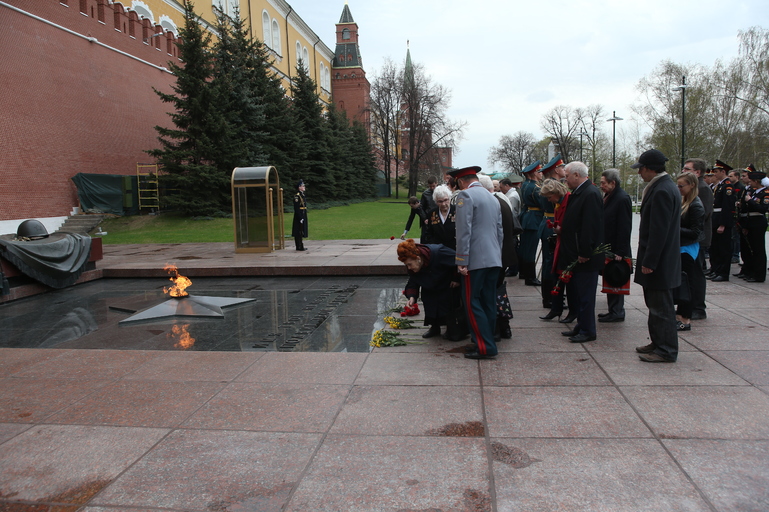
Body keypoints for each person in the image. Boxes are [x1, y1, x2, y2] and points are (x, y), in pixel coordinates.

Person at [632, 149, 681, 363]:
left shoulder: (662, 190)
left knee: (661, 308)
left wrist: (650, 261)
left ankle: (666, 349)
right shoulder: (663, 186)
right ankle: (658, 342)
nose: (639, 173)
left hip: (660, 261)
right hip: (661, 259)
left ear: (649, 168)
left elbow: (658, 230)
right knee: (655, 305)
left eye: (641, 169)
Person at [450, 166, 504, 359]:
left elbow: (463, 231)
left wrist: (461, 260)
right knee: (488, 302)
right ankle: (486, 340)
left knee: (472, 302)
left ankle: (484, 346)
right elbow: (499, 231)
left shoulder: (465, 195)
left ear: (461, 181)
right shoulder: (492, 197)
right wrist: (497, 255)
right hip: (493, 258)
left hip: (475, 259)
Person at [557, 161, 604, 343]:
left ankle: (588, 330)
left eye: (567, 176)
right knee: (579, 293)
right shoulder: (581, 192)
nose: (565, 180)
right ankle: (581, 326)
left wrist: (585, 252)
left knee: (586, 296)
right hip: (575, 252)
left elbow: (590, 227)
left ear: (577, 175)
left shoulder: (590, 193)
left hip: (584, 256)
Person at [397, 239, 461, 340]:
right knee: (429, 301)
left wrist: (456, 278)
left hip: (447, 284)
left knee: (447, 305)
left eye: (409, 264)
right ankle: (434, 327)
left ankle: (451, 327)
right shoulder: (413, 266)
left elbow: (458, 261)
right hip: (430, 287)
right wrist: (412, 298)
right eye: (406, 265)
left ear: (418, 258)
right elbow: (413, 282)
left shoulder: (439, 252)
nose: (409, 268)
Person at [480, 174, 515, 340]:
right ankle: (504, 326)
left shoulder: (491, 204)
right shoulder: (502, 201)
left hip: (494, 256)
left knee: (491, 293)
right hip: (503, 254)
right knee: (499, 292)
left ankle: (495, 329)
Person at [598, 169, 632, 323]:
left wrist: (620, 251)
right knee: (611, 277)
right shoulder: (610, 196)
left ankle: (617, 311)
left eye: (603, 183)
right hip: (609, 246)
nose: (601, 186)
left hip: (617, 249)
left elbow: (624, 226)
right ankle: (613, 310)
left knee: (616, 276)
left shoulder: (622, 198)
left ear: (613, 183)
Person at [682, 158, 713, 320]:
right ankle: (689, 304)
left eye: (687, 169)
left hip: (697, 239)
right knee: (690, 273)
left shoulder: (702, 188)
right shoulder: (692, 187)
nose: (683, 171)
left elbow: (703, 214)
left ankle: (698, 307)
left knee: (696, 274)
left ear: (697, 172)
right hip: (690, 239)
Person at [675, 172, 705, 331]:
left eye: (681, 186)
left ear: (692, 185)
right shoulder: (685, 202)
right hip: (682, 247)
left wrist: (674, 228)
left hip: (688, 248)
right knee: (682, 284)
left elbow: (695, 232)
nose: (679, 188)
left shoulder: (695, 205)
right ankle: (680, 315)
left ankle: (685, 319)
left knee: (687, 285)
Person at [538, 179, 571, 321]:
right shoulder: (560, 202)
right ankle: (555, 308)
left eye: (549, 196)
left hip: (567, 245)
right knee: (556, 276)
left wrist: (561, 229)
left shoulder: (569, 201)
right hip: (560, 243)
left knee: (565, 278)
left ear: (556, 193)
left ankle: (568, 311)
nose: (549, 200)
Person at [537, 155, 566, 308]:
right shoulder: (553, 186)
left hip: (548, 222)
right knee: (551, 263)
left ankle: (549, 297)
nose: (564, 170)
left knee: (549, 262)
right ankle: (550, 298)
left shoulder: (548, 184)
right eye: (562, 167)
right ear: (556, 170)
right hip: (552, 224)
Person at [708, 160, 738, 282]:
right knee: (715, 247)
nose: (714, 174)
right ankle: (716, 269)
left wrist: (723, 224)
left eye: (716, 172)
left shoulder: (727, 186)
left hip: (721, 219)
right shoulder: (720, 186)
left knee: (724, 248)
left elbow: (727, 207)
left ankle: (723, 272)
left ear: (723, 172)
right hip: (715, 218)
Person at [738, 169, 768, 282]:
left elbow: (763, 209)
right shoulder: (754, 192)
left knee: (758, 249)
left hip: (758, 222)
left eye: (751, 181)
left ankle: (759, 275)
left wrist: (750, 201)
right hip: (750, 222)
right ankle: (752, 272)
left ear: (757, 181)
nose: (749, 183)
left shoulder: (765, 193)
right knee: (751, 249)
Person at [518, 160, 543, 286]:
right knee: (530, 250)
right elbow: (542, 204)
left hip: (528, 217)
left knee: (525, 248)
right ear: (534, 173)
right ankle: (530, 277)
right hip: (534, 219)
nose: (541, 173)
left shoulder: (526, 185)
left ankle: (524, 272)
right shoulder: (534, 188)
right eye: (539, 171)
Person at [423, 185, 456, 249]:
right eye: (440, 201)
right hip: (437, 250)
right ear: (436, 201)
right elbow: (429, 233)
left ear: (450, 198)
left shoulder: (457, 211)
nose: (443, 204)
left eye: (446, 200)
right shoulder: (432, 213)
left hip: (454, 249)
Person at [292, 180, 308, 251]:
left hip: (303, 214)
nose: (304, 187)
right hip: (299, 215)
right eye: (302, 186)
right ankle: (298, 246)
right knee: (298, 230)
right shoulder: (297, 196)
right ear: (299, 187)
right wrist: (300, 217)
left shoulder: (302, 195)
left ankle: (300, 245)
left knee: (301, 230)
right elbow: (296, 208)